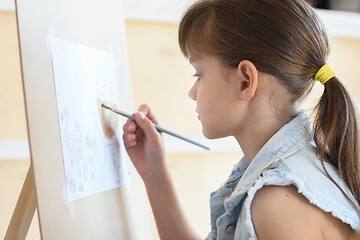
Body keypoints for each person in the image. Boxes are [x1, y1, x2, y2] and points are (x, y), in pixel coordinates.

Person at [122, 0, 360, 239]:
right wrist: (155, 173)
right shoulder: (286, 172)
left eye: (199, 73)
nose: (192, 92)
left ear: (245, 81)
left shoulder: (278, 203)